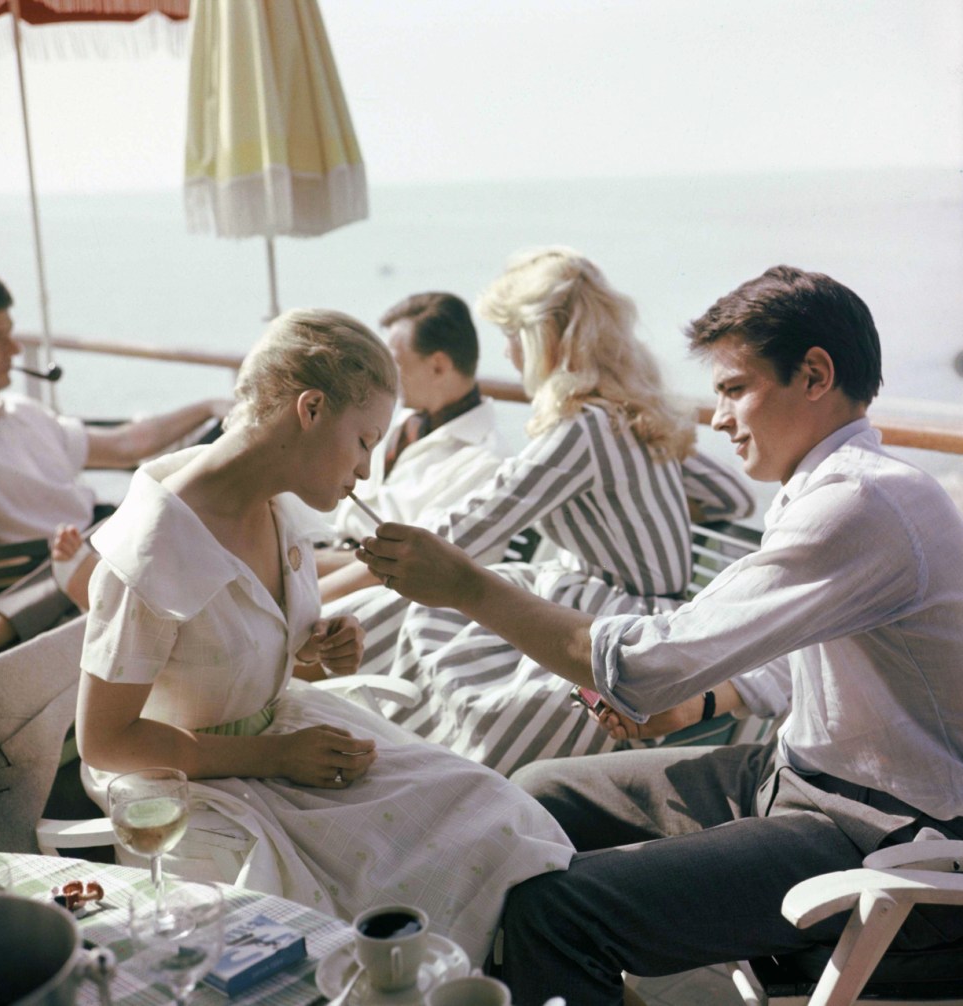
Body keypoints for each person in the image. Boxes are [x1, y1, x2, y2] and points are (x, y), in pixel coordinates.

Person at [357, 264, 963, 1004]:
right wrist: (700, 706)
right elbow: (798, 658)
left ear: (814, 375)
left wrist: (468, 586)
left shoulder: (863, 503)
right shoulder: (832, 490)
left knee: (555, 913)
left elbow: (639, 668)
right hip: (798, 778)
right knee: (532, 795)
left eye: (736, 389)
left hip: (883, 835)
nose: (720, 419)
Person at [75, 309, 574, 965]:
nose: (366, 471)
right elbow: (106, 741)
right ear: (309, 409)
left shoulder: (274, 505)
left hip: (284, 744)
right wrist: (277, 759)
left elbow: (225, 654)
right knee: (425, 872)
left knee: (497, 813)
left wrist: (311, 650)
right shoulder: (153, 552)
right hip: (210, 781)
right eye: (365, 441)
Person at [331, 247, 770, 777]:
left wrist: (321, 591)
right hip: (645, 613)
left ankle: (391, 764)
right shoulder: (632, 417)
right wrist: (641, 499)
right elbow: (735, 498)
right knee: (438, 621)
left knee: (428, 623)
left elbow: (466, 530)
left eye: (513, 337)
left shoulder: (581, 429)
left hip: (608, 626)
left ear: (541, 340)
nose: (511, 356)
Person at [0, 268, 229, 663]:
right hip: (54, 573)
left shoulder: (23, 412)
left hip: (103, 538)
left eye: (12, 332)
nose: (16, 350)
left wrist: (207, 408)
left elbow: (124, 446)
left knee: (211, 527)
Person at [316, 291, 504, 603]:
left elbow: (406, 565)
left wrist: (297, 567)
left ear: (439, 366)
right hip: (325, 552)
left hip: (370, 593)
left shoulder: (485, 463)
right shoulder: (399, 420)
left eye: (396, 364)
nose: (387, 377)